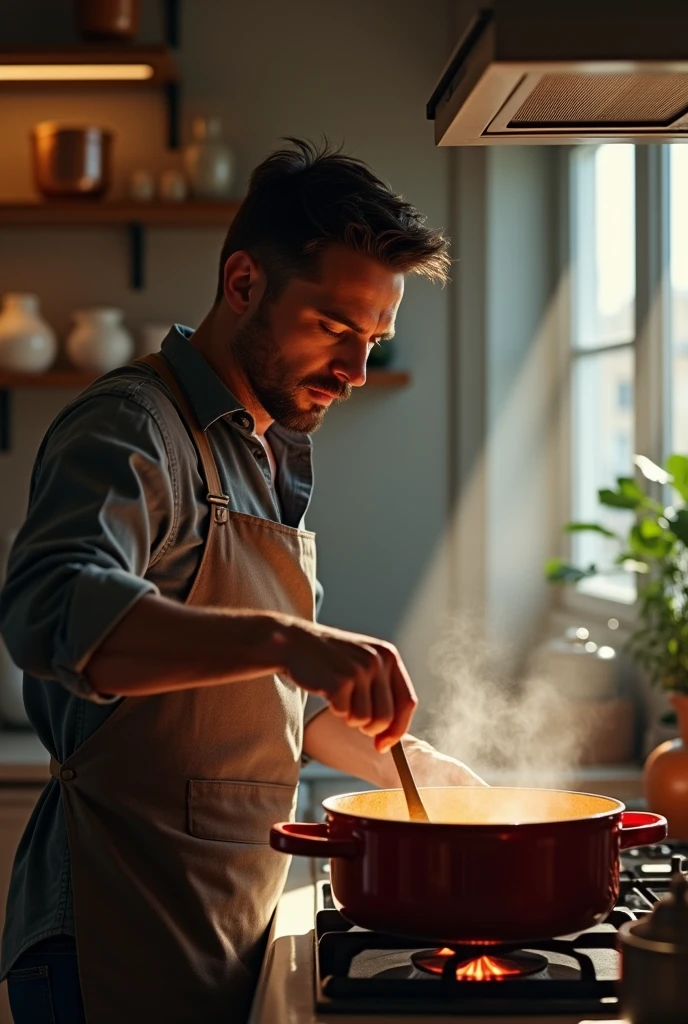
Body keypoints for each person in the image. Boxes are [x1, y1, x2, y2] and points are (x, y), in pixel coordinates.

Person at [0, 138, 484, 1024]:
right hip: (111, 936)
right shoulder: (131, 425)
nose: (357, 370)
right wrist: (289, 637)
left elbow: (282, 703)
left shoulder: (263, 455)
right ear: (243, 284)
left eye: (374, 339)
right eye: (336, 327)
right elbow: (52, 609)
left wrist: (419, 767)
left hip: (219, 917)